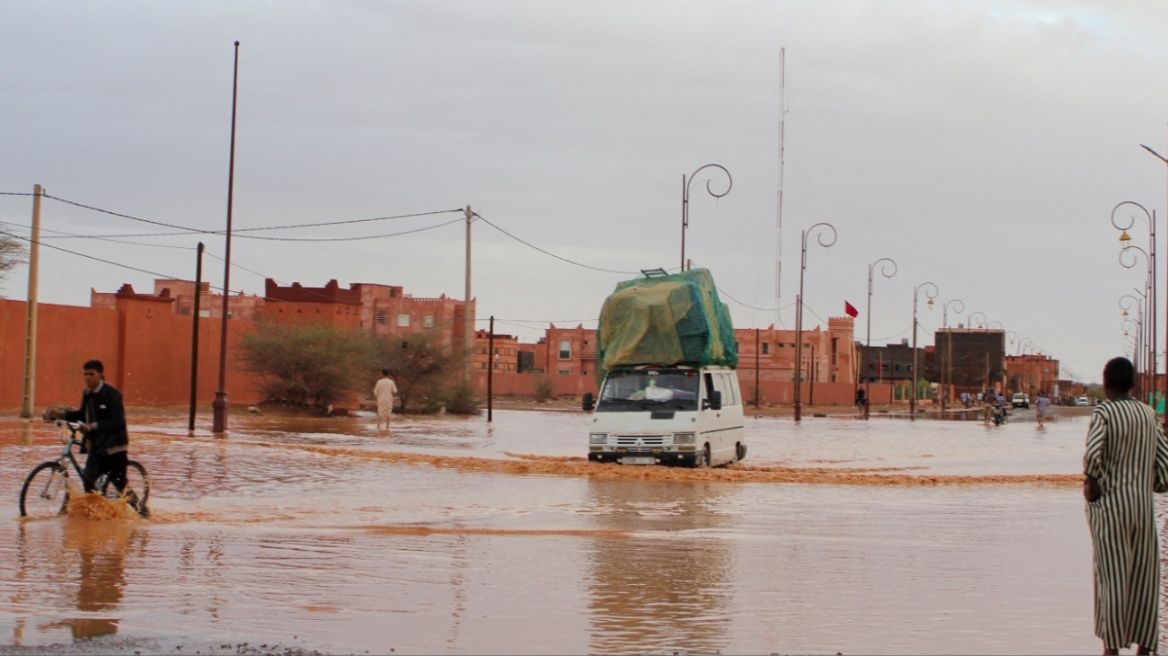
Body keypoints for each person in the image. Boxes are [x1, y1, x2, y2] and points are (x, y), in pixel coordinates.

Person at [1083, 357, 1168, 655]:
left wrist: (1091, 487)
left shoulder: (1104, 412)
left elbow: (1093, 455)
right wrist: (1148, 485)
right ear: (1133, 384)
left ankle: (1112, 649)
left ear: (1106, 385)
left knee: (1113, 579)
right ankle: (1144, 649)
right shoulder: (1148, 415)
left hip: (1111, 513)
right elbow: (1164, 471)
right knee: (1144, 579)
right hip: (1143, 513)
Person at [43, 359, 140, 514]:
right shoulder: (87, 394)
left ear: (101, 375)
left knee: (121, 486)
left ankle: (143, 513)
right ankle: (97, 514)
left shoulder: (113, 394)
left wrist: (93, 426)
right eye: (85, 374)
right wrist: (62, 414)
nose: (87, 378)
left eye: (91, 374)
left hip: (115, 448)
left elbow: (117, 420)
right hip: (97, 446)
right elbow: (81, 414)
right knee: (88, 480)